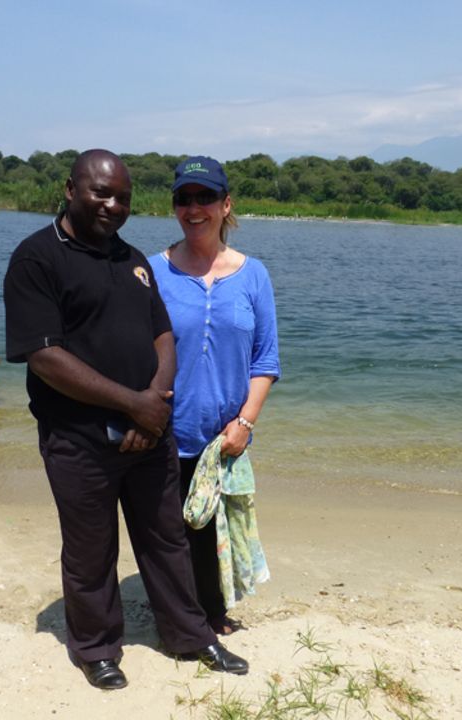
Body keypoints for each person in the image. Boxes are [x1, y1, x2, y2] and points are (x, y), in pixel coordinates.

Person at [3, 149, 248, 691]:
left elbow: (163, 335)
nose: (113, 205)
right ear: (71, 189)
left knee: (167, 540)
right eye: (101, 193)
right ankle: (96, 648)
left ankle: (190, 634)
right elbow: (44, 356)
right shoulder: (37, 258)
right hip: (78, 438)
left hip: (149, 432)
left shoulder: (133, 259)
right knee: (91, 549)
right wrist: (131, 404)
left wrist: (153, 403)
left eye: (123, 197)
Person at [148, 155, 280, 636]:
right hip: (162, 432)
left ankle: (212, 614)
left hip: (223, 438)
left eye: (205, 197)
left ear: (226, 205)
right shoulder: (151, 271)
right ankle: (177, 621)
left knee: (212, 532)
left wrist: (244, 423)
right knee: (167, 535)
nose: (194, 208)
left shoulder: (254, 275)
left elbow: (265, 360)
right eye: (184, 199)